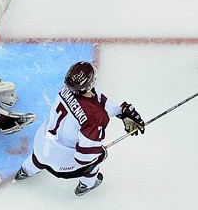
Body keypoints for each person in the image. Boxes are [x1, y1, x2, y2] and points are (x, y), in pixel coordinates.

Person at [13, 61, 146, 196]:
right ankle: (86, 185)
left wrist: (120, 111)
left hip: (41, 144)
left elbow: (95, 99)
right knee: (92, 166)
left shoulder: (66, 88)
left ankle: (25, 171)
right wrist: (100, 155)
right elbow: (85, 158)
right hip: (62, 166)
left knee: (40, 157)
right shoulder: (95, 117)